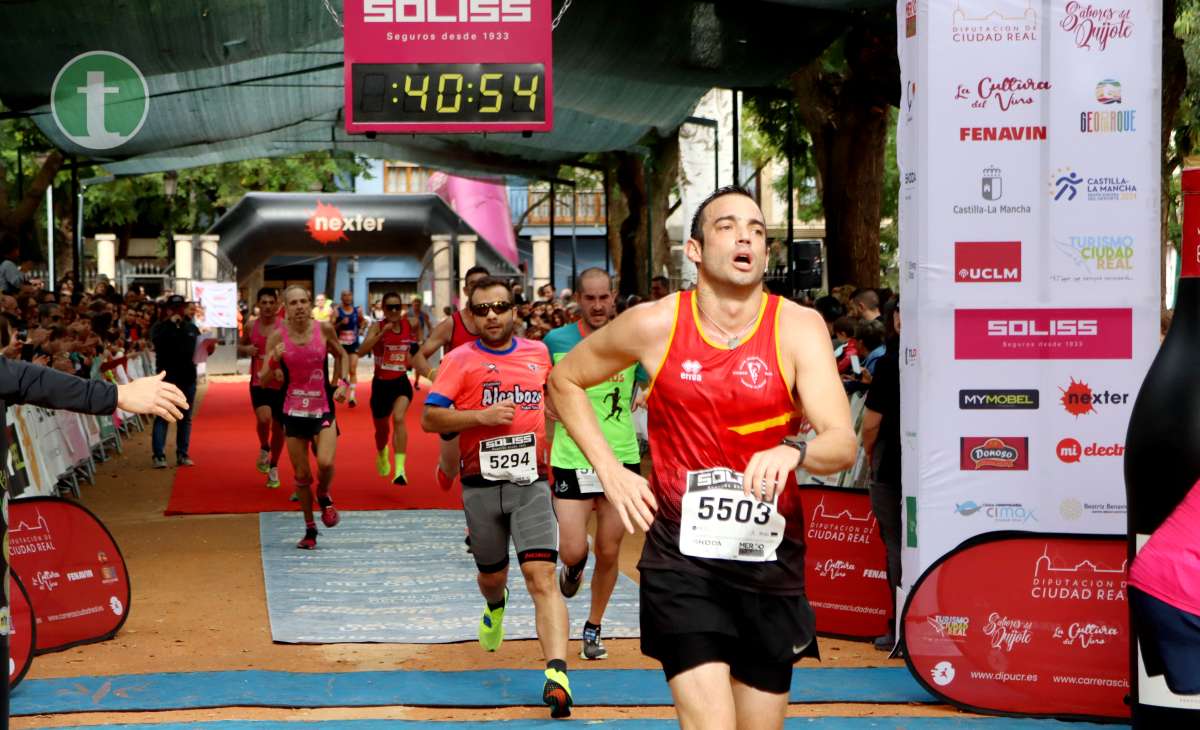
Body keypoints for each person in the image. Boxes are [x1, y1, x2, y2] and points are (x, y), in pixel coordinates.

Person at [548, 185, 856, 729]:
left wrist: (794, 449)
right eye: (728, 226)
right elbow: (564, 380)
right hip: (682, 559)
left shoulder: (798, 326)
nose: (746, 237)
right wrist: (611, 470)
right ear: (694, 250)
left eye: (758, 230)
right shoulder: (657, 323)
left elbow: (841, 441)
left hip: (768, 560)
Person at [420, 276, 574, 719]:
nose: (492, 316)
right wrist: (481, 416)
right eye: (482, 309)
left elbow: (553, 400)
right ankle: (494, 605)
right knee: (493, 577)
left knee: (541, 576)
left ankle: (557, 675)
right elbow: (432, 418)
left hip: (532, 483)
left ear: (515, 310)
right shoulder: (459, 360)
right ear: (471, 314)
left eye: (500, 307)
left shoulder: (537, 353)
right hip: (480, 485)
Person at [544, 268, 641, 661]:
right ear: (578, 300)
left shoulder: (633, 339)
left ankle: (593, 626)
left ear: (613, 296)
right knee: (571, 549)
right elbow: (543, 387)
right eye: (590, 298)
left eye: (604, 297)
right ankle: (573, 569)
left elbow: (653, 377)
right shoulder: (556, 341)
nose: (598, 305)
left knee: (610, 549)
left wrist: (649, 390)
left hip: (621, 460)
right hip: (572, 457)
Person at [260, 286, 349, 550]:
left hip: (322, 407)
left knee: (325, 462)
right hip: (293, 410)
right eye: (293, 303)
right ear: (284, 308)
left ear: (310, 304)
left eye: (303, 301)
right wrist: (274, 361)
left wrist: (343, 382)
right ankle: (310, 530)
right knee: (301, 474)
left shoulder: (324, 330)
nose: (299, 306)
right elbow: (263, 379)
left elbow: (341, 354)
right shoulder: (277, 336)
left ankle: (324, 493)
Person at [413, 265, 491, 490]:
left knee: (481, 467)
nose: (479, 289)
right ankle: (445, 468)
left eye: (484, 284)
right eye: (474, 285)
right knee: (451, 469)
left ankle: (478, 519)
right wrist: (433, 375)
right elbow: (418, 355)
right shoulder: (452, 324)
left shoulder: (497, 322)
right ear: (466, 290)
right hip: (455, 407)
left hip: (489, 400)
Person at [862, 296, 901, 652]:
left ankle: (900, 625)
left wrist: (869, 455)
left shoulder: (889, 364)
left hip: (890, 468)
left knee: (895, 545)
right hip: (931, 471)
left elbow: (870, 425)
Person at [358, 291, 428, 486]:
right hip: (381, 385)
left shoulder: (410, 324)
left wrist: (423, 364)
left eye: (398, 306)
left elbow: (416, 346)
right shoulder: (376, 326)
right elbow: (361, 351)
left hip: (400, 382)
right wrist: (381, 334)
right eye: (390, 307)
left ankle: (400, 470)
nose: (395, 311)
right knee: (381, 431)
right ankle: (382, 452)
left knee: (398, 418)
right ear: (383, 309)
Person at [150, 294, 211, 469]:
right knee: (162, 416)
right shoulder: (160, 328)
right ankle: (159, 455)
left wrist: (209, 349)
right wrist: (172, 325)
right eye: (175, 308)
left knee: (185, 418)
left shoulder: (192, 328)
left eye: (180, 308)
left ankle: (182, 454)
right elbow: (157, 343)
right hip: (166, 379)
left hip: (187, 378)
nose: (178, 311)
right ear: (168, 310)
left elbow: (200, 354)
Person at [238, 287, 285, 488]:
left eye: (270, 302)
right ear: (258, 305)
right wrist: (246, 349)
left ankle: (274, 466)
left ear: (276, 304)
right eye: (263, 303)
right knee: (264, 418)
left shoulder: (284, 327)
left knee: (279, 427)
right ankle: (264, 447)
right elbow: (239, 345)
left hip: (281, 384)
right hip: (259, 381)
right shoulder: (250, 326)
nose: (267, 306)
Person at [332, 289, 365, 407]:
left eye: (349, 295)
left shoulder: (357, 310)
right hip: (341, 345)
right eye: (344, 295)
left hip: (354, 344)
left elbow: (363, 322)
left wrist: (361, 329)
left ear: (352, 297)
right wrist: (341, 323)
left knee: (352, 369)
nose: (347, 297)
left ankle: (352, 397)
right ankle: (342, 389)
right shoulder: (337, 311)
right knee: (342, 373)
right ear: (341, 298)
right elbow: (331, 328)